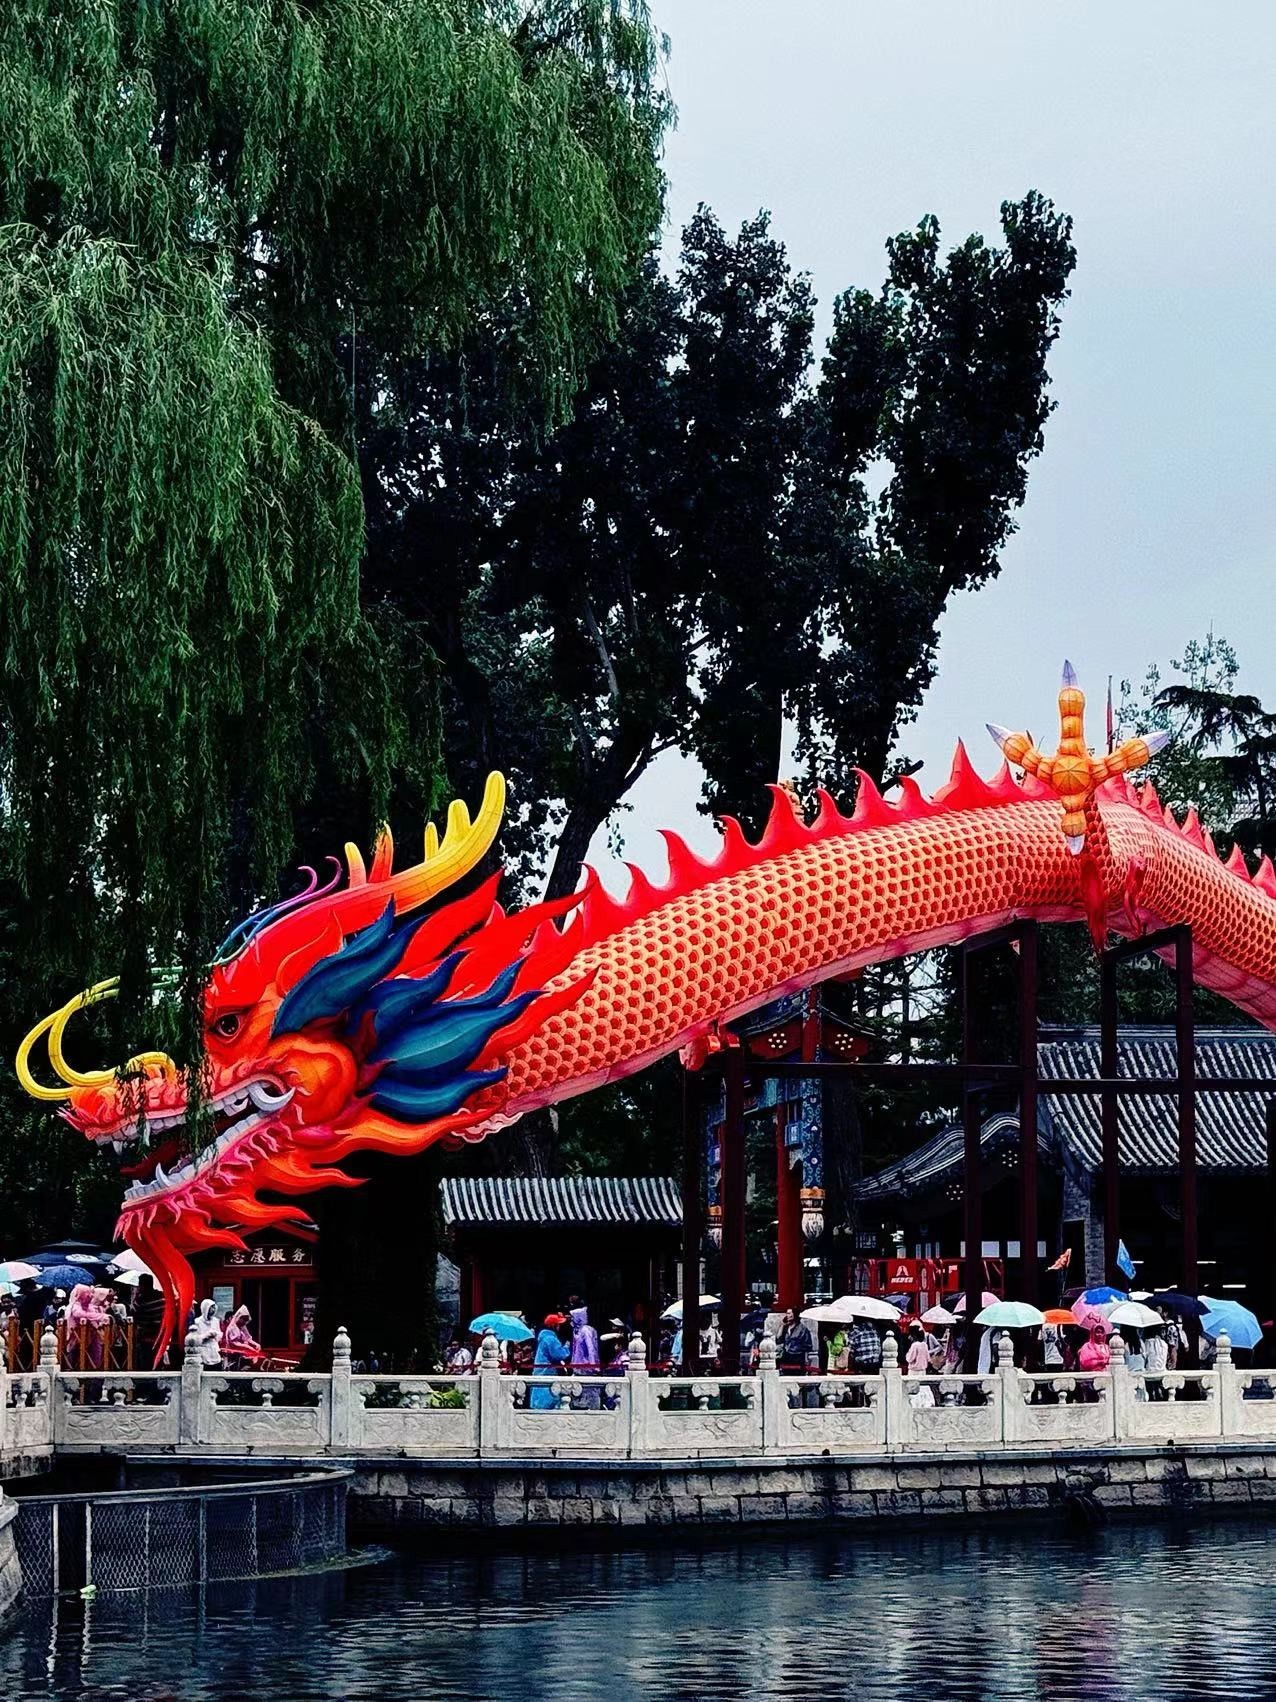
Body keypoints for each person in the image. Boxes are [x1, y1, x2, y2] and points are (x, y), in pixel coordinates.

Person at [530, 1312, 571, 1410]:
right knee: (547, 1403)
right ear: (554, 1326)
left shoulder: (544, 1337)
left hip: (541, 1372)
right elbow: (559, 1355)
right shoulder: (550, 1339)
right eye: (558, 1324)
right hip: (547, 1372)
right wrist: (566, 1347)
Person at [65, 1284, 109, 1370]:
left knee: (95, 1352)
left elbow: (93, 1315)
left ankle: (94, 1369)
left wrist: (101, 1318)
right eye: (88, 1293)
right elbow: (79, 1314)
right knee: (75, 1353)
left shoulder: (89, 1306)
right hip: (76, 1336)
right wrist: (100, 1317)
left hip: (90, 1336)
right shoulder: (75, 1306)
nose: (91, 1296)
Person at [569, 1301, 602, 1410]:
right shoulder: (576, 1330)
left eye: (573, 1317)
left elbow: (590, 1348)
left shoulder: (586, 1330)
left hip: (587, 1367)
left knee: (589, 1391)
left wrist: (593, 1365)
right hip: (577, 1366)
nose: (571, 1320)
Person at [222, 1303, 261, 1369]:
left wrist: (256, 1344)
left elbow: (248, 1338)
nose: (245, 1322)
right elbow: (235, 1343)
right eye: (244, 1319)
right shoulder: (232, 1328)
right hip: (233, 1357)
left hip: (242, 1356)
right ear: (239, 1317)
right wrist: (249, 1348)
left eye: (246, 1320)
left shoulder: (242, 1327)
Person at [778, 1308, 813, 1375]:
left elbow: (808, 1345)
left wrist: (798, 1348)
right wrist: (782, 1325)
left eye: (789, 1313)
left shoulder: (803, 1329)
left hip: (798, 1358)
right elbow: (779, 1339)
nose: (787, 1315)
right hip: (786, 1357)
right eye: (787, 1313)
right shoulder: (786, 1327)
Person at [194, 1298, 223, 1368]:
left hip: (213, 1348)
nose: (213, 1309)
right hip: (203, 1350)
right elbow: (196, 1338)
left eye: (214, 1307)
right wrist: (206, 1336)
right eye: (211, 1308)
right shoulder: (197, 1321)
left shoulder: (216, 1321)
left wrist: (216, 1334)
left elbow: (219, 1334)